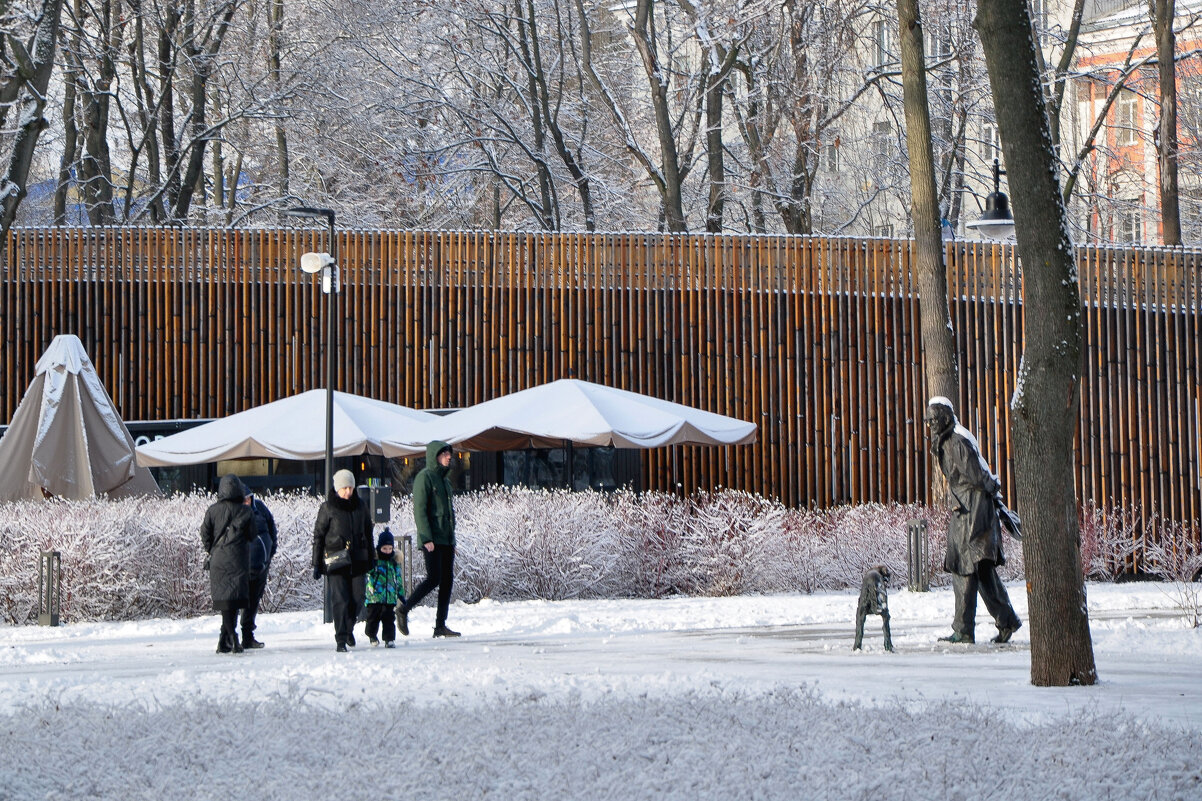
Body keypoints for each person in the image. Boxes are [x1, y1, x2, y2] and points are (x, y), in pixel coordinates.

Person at [924, 397, 1022, 644]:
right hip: (970, 509)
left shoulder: (956, 441)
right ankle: (1006, 620)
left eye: (934, 419)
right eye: (928, 420)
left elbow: (980, 477)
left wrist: (989, 494)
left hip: (973, 513)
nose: (930, 424)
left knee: (964, 568)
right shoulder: (951, 439)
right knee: (981, 571)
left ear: (945, 417)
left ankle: (964, 630)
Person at [398, 441, 460, 638]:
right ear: (435, 456)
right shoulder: (425, 477)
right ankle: (404, 609)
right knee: (433, 578)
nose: (448, 457)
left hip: (447, 540)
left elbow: (449, 513)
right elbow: (420, 510)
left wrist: (452, 539)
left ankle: (440, 625)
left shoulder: (446, 481)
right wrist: (426, 537)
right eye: (444, 455)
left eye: (449, 454)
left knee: (447, 581)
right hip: (432, 539)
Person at [312, 469, 373, 652]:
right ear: (337, 488)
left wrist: (371, 558)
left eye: (351, 488)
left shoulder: (361, 506)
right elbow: (319, 536)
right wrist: (316, 563)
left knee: (358, 597)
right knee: (340, 600)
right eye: (345, 488)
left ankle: (348, 629)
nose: (348, 492)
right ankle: (341, 638)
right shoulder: (328, 508)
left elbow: (368, 533)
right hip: (336, 560)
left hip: (358, 560)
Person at [199, 474, 256, 654]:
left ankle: (223, 642)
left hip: (218, 561)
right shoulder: (246, 511)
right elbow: (253, 535)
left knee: (226, 601)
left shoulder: (212, 510)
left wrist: (212, 550)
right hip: (238, 559)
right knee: (234, 600)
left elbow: (205, 533)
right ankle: (233, 637)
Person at [241, 491, 277, 649]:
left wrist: (270, 551)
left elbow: (271, 528)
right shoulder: (233, 510)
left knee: (254, 599)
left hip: (261, 563)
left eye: (248, 498)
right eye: (243, 499)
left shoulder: (260, 508)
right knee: (238, 601)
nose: (246, 501)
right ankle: (230, 637)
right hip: (240, 565)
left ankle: (248, 635)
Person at [364, 529, 404, 647]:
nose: (387, 551)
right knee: (373, 618)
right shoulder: (375, 562)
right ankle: (371, 635)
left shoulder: (393, 563)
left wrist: (400, 594)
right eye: (384, 549)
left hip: (389, 596)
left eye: (390, 549)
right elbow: (368, 572)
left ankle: (389, 639)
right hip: (375, 596)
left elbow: (398, 579)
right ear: (379, 548)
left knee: (389, 619)